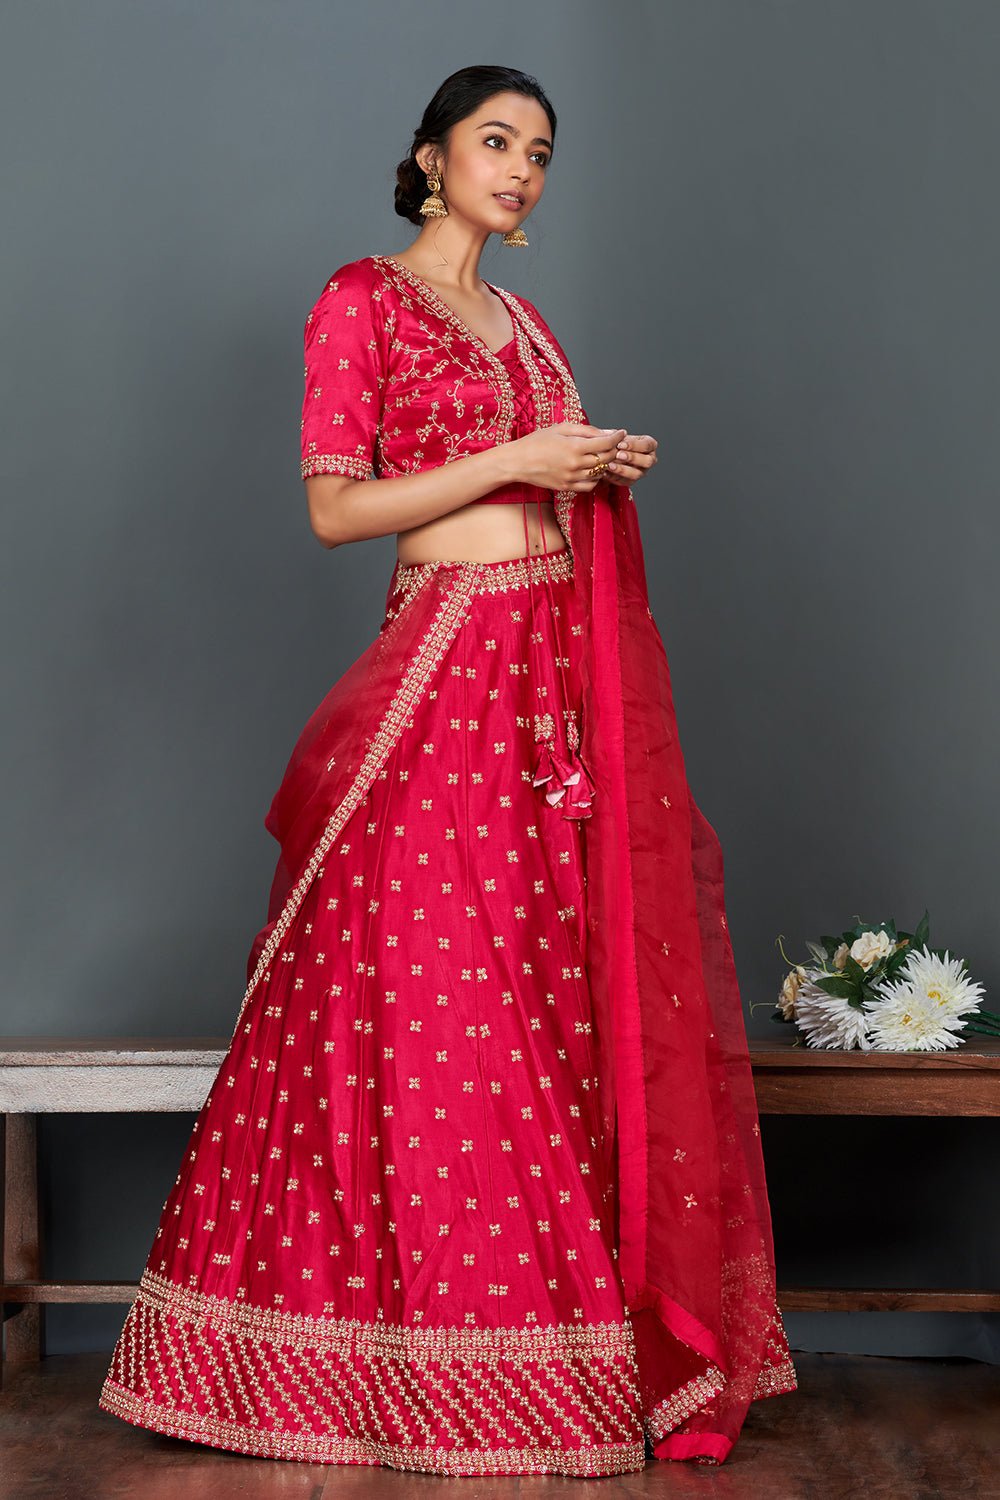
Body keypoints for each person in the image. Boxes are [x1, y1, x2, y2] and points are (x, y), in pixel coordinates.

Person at [98, 64, 797, 1477]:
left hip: (547, 686)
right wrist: (518, 459)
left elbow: (528, 480)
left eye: (541, 150)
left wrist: (583, 471)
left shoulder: (526, 326)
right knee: (429, 992)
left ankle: (542, 1362)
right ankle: (359, 1363)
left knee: (543, 999)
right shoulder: (363, 299)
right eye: (495, 140)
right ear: (430, 157)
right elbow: (336, 510)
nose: (521, 167)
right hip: (446, 669)